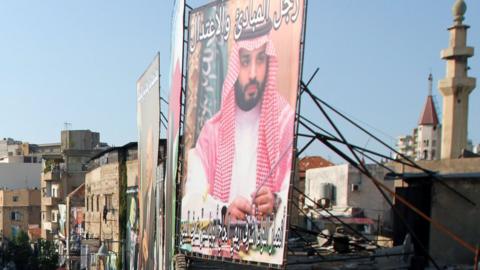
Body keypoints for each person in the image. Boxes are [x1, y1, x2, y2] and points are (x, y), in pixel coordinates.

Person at [183, 21, 294, 223]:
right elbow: (190, 204)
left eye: (260, 59)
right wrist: (224, 211)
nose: (252, 73)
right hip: (219, 247)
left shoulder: (285, 122)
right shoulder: (211, 133)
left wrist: (276, 201)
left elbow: (292, 194)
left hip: (265, 248)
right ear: (235, 66)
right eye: (245, 61)